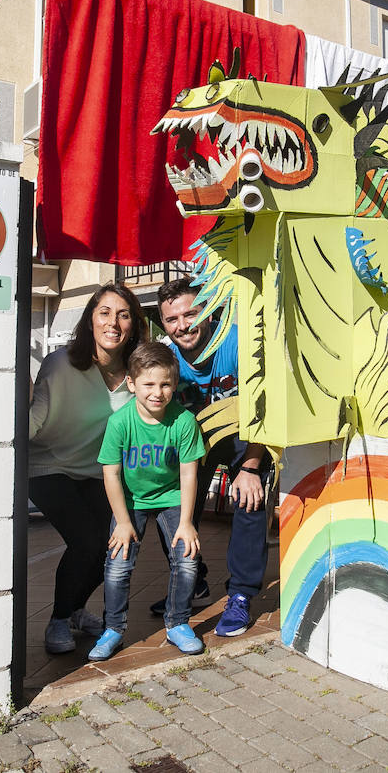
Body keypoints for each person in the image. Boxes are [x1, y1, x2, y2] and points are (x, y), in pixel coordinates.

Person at [28, 283, 146, 655]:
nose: (114, 322)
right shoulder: (61, 363)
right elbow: (36, 418)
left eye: (123, 314)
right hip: (48, 464)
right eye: (105, 313)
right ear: (90, 320)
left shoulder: (136, 375)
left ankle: (76, 609)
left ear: (134, 324)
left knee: (117, 544)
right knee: (87, 541)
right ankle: (59, 618)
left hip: (96, 471)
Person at [157, 277, 272, 638]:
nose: (182, 325)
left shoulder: (237, 342)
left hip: (246, 434)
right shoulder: (166, 360)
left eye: (190, 314)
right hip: (198, 441)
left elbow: (267, 406)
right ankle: (193, 579)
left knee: (249, 497)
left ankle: (240, 593)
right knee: (168, 500)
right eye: (172, 319)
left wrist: (252, 466)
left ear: (208, 312)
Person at [88, 342, 207, 660]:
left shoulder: (183, 422)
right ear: (132, 383)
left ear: (174, 383)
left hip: (171, 496)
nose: (158, 392)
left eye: (166, 384)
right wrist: (123, 522)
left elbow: (188, 475)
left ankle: (178, 623)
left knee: (187, 556)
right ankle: (113, 629)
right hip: (131, 499)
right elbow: (110, 474)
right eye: (149, 384)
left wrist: (186, 522)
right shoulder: (120, 423)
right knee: (118, 565)